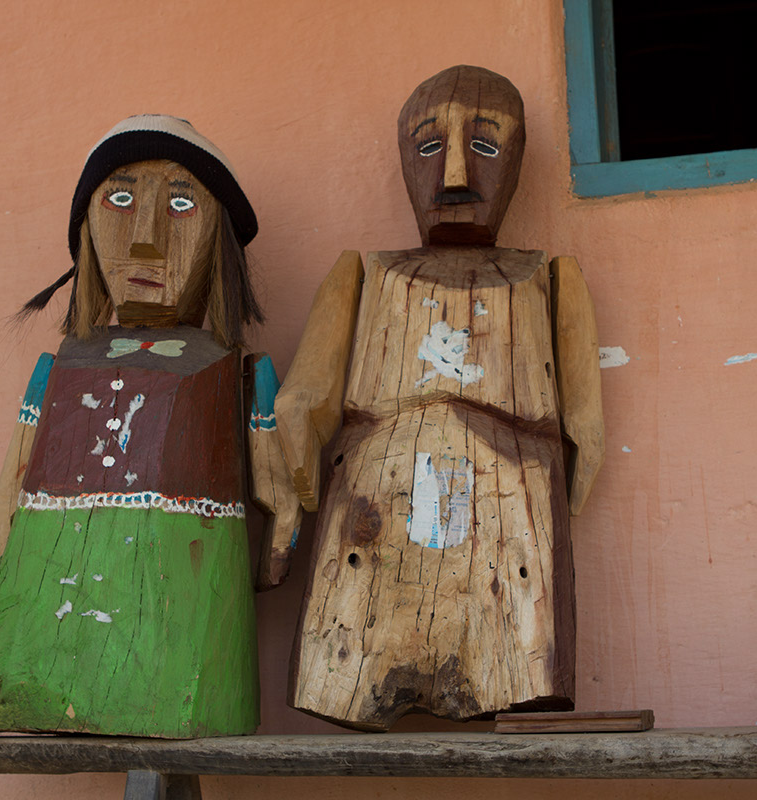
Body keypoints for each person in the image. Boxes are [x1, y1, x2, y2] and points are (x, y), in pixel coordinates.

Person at [276, 67, 605, 730]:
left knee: (508, 657)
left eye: (485, 147)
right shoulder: (360, 273)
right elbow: (300, 402)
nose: (456, 175)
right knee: (359, 645)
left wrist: (538, 507)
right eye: (429, 147)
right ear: (403, 161)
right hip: (372, 526)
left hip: (506, 536)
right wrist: (306, 494)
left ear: (515, 162)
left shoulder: (551, 278)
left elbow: (587, 434)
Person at [0, 115, 290, 738]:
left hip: (178, 643)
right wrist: (261, 570)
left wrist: (239, 578)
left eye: (181, 204)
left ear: (221, 246)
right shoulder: (56, 369)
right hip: (51, 622)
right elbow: (5, 500)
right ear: (85, 232)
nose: (146, 242)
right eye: (121, 200)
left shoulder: (241, 374)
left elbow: (279, 507)